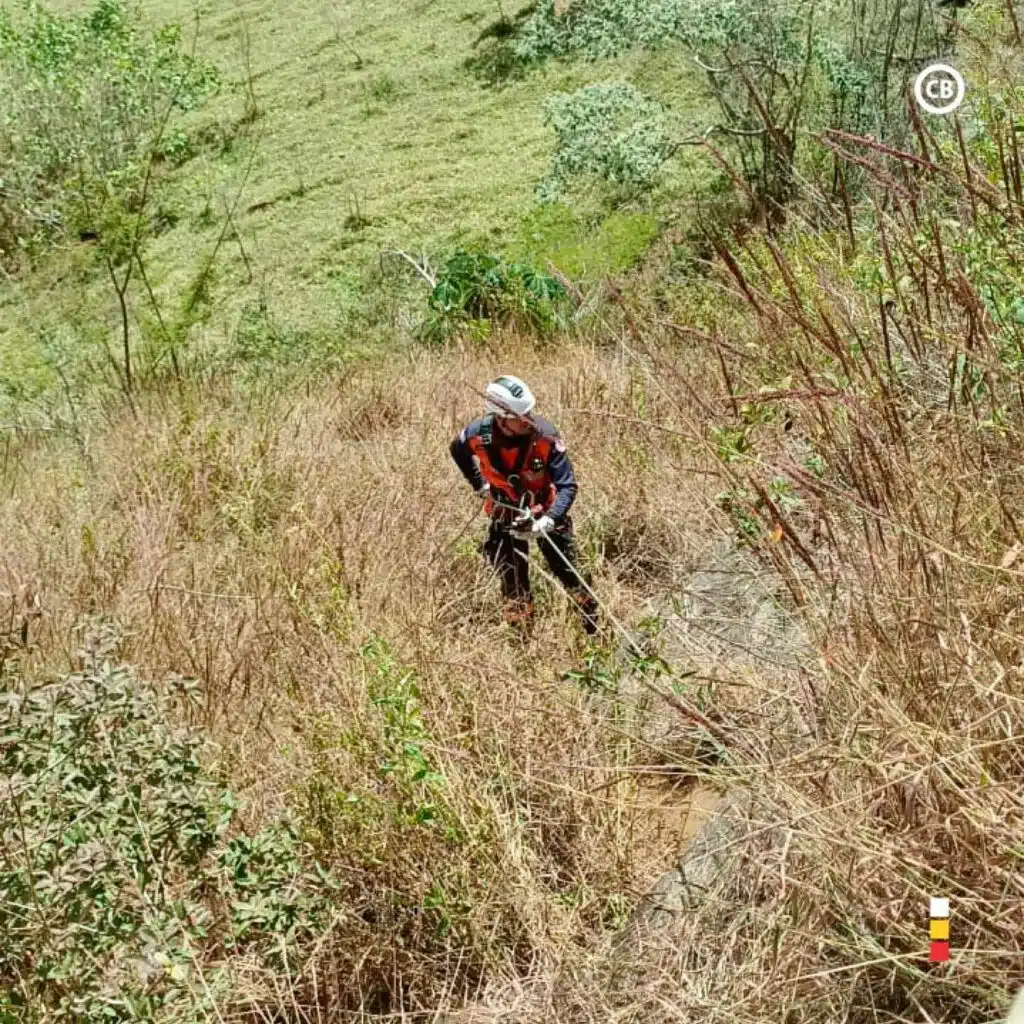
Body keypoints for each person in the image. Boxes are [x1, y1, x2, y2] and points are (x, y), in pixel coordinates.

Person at [450, 375, 599, 635]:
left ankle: (592, 626)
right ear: (501, 418)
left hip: (546, 508)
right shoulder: (477, 436)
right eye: (521, 416)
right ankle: (522, 638)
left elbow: (568, 486)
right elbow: (457, 449)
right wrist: (481, 486)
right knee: (513, 581)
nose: (528, 419)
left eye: (529, 412)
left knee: (570, 571)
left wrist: (549, 519)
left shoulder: (546, 437)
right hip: (505, 511)